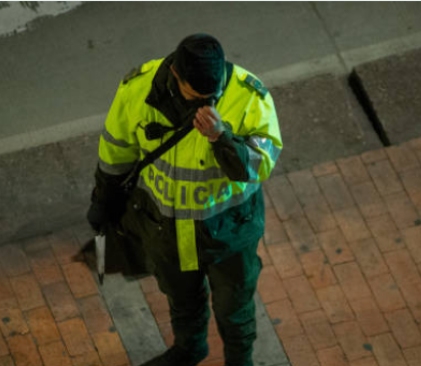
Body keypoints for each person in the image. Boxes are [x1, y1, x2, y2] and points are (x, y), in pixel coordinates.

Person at [87, 34, 282, 366]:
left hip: (229, 233)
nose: (206, 105)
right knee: (181, 300)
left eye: (212, 95)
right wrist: (103, 199)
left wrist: (222, 138)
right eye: (197, 96)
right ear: (176, 75)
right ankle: (189, 350)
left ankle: (240, 361)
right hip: (165, 229)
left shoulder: (250, 95)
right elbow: (116, 148)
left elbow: (258, 166)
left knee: (234, 308)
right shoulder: (138, 88)